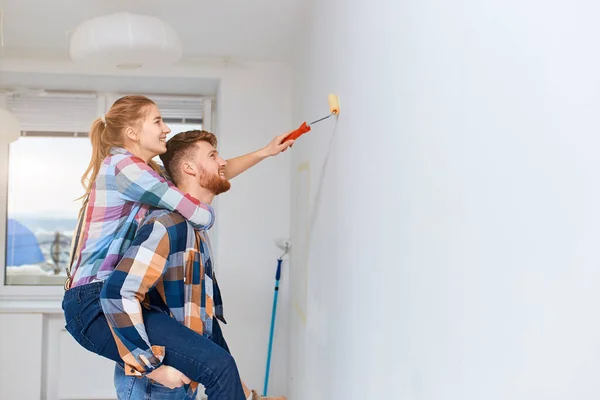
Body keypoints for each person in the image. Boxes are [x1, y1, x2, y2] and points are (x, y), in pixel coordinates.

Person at [62, 95, 292, 400]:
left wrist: (264, 152)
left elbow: (207, 176)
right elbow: (195, 204)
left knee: (217, 358)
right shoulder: (123, 168)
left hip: (112, 295)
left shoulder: (148, 173)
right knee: (216, 365)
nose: (165, 128)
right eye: (157, 121)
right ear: (132, 132)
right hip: (91, 301)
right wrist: (154, 368)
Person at [108, 130, 284, 400]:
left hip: (180, 378)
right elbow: (118, 294)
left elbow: (205, 324)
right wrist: (152, 369)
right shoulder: (167, 224)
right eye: (213, 155)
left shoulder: (194, 226)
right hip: (158, 384)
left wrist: (265, 151)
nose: (223, 161)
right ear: (188, 168)